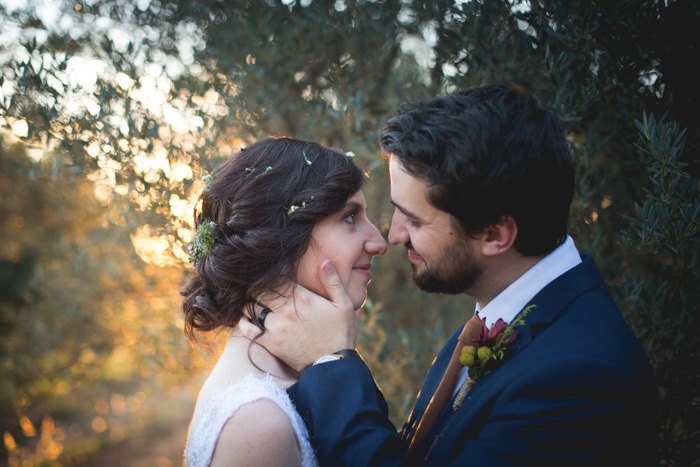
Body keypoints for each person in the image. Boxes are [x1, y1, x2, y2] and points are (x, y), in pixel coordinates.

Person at [240, 84, 658, 465]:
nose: (392, 235)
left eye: (414, 220)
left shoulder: (582, 379)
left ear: (495, 234)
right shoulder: (490, 321)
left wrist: (330, 363)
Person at [182, 137, 387, 466]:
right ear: (282, 239)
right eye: (350, 217)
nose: (379, 241)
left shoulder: (286, 381)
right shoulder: (259, 426)